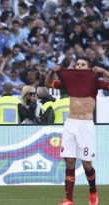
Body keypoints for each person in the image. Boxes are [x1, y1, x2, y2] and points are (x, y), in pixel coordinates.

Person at [45, 57, 109, 205]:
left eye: (83, 64)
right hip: (70, 124)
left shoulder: (96, 81)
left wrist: (104, 71)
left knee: (87, 164)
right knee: (69, 162)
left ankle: (93, 191)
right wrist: (51, 72)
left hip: (86, 126)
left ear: (89, 68)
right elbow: (48, 84)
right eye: (77, 64)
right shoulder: (70, 81)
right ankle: (68, 199)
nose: (79, 66)